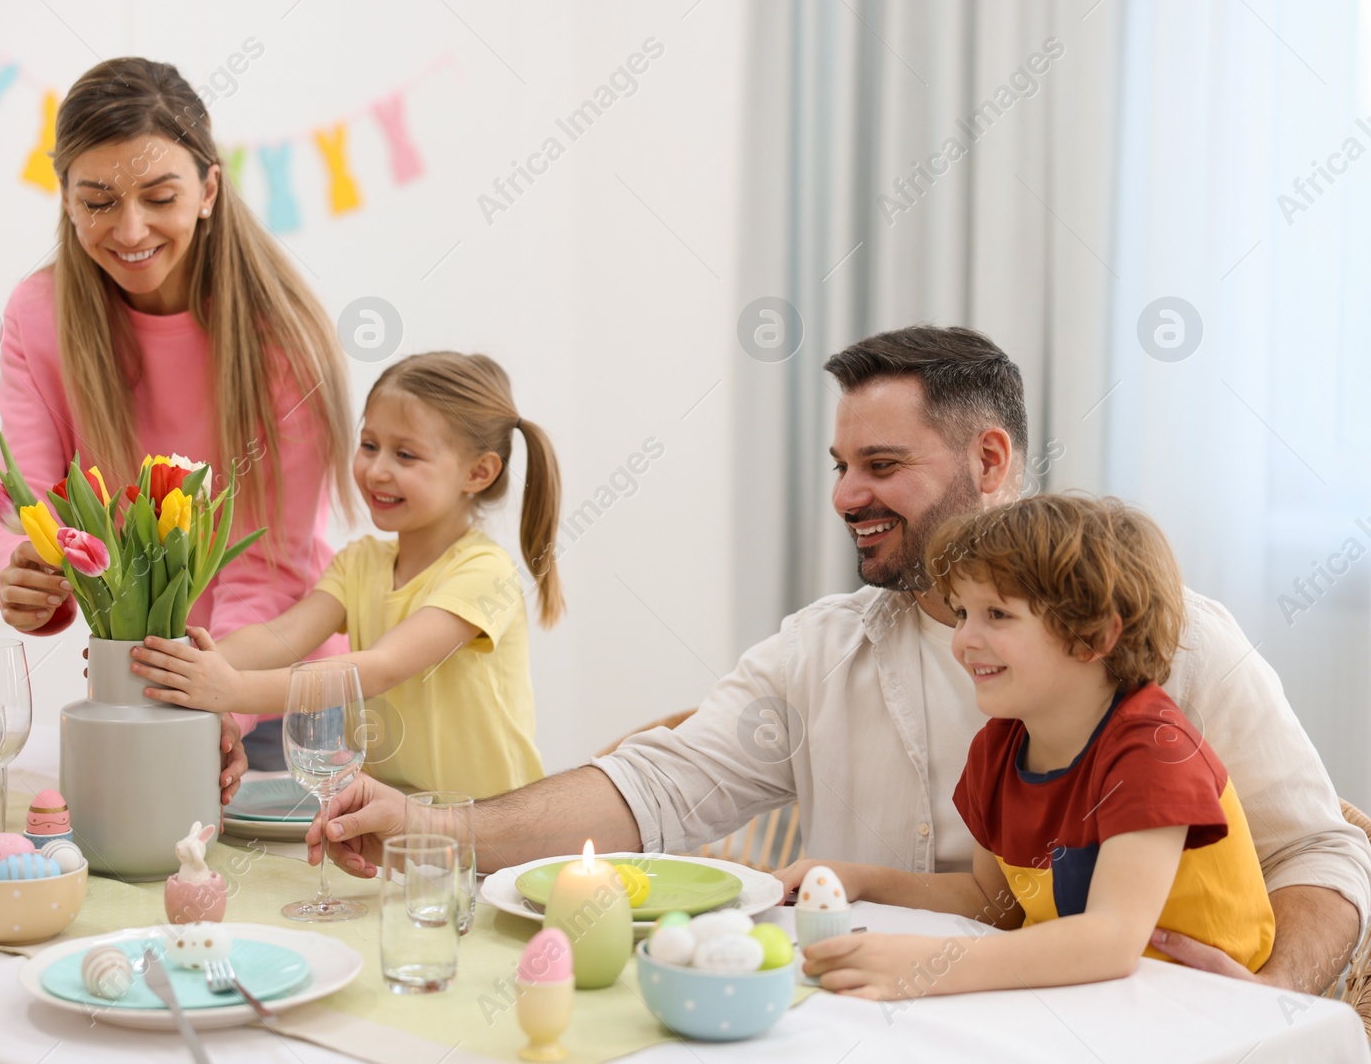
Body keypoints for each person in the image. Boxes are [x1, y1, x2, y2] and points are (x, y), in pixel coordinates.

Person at [306, 325, 1371, 995]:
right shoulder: (819, 647)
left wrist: (1259, 1006)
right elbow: (657, 786)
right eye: (837, 464)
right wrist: (427, 827)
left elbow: (1324, 854)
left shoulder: (1166, 641)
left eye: (881, 463)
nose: (844, 494)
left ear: (988, 458)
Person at [0, 58, 356, 799]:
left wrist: (213, 697)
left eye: (159, 196)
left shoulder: (283, 339)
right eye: (99, 201)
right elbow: (26, 495)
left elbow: (267, 564)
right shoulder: (37, 316)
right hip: (141, 689)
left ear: (209, 189)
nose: (131, 229)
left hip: (275, 696)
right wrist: (17, 566)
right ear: (66, 200)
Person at [786, 494, 1274, 999]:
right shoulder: (996, 750)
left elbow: (1110, 940)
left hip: (1207, 1011)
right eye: (961, 613)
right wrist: (857, 878)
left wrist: (925, 966)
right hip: (1091, 1000)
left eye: (996, 614)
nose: (963, 641)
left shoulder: (1153, 752)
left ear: (1094, 636)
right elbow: (991, 902)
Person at [125, 352, 563, 797]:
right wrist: (178, 661)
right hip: (398, 818)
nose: (376, 470)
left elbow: (380, 668)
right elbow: (283, 635)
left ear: (478, 473)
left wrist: (233, 689)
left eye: (405, 454)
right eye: (369, 445)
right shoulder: (360, 562)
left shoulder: (486, 572)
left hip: (489, 826)